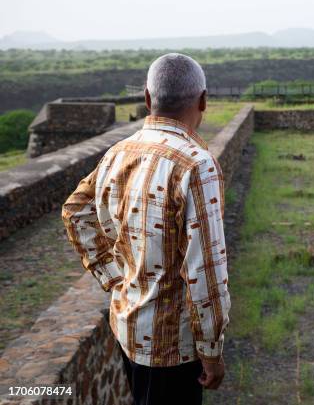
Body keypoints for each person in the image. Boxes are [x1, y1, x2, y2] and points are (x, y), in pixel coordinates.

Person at [62, 53, 230, 405]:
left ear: (147, 98)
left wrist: (114, 278)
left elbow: (76, 211)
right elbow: (205, 271)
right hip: (173, 345)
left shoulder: (119, 152)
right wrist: (211, 351)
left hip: (128, 328)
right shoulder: (196, 165)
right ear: (203, 100)